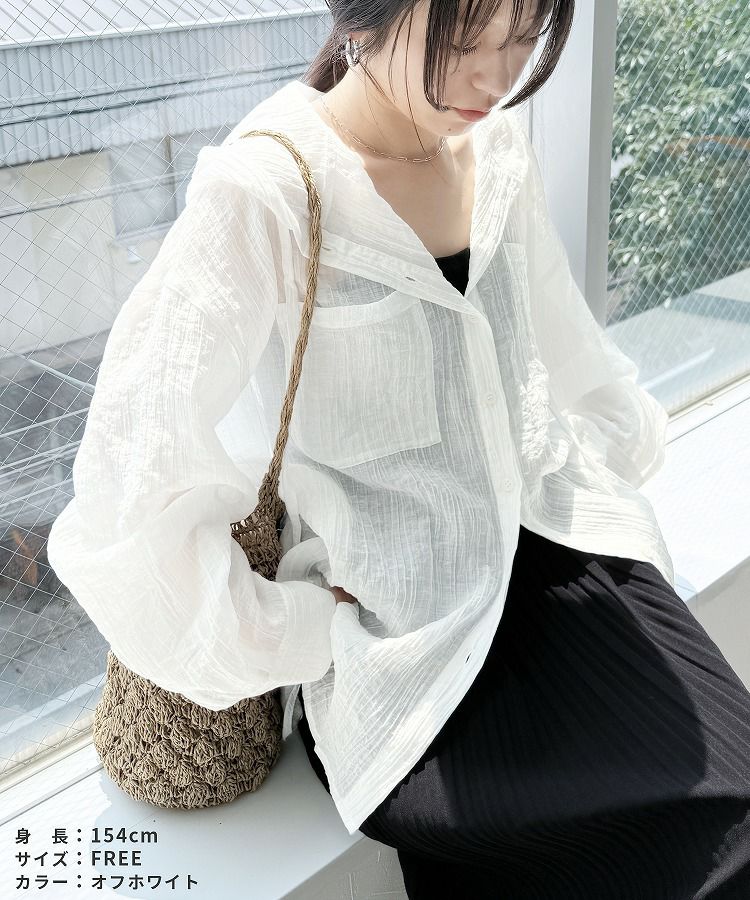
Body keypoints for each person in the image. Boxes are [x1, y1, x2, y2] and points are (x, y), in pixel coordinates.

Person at [46, 1, 750, 896]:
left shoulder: (496, 149)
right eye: (463, 41)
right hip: (408, 651)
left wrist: (604, 483)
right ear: (364, 16)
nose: (497, 78)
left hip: (565, 565)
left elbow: (569, 352)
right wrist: (301, 632)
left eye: (523, 38)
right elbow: (127, 498)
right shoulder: (267, 191)